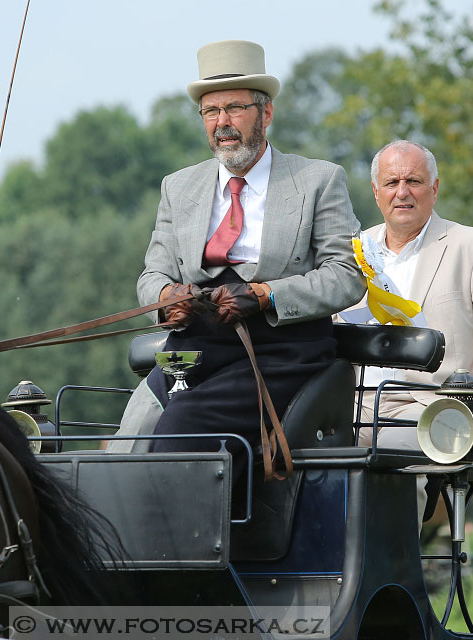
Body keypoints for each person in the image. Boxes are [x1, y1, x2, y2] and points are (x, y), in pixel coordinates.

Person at [109, 40, 365, 475]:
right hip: (193, 348)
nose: (222, 123)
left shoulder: (318, 180)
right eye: (211, 112)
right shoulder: (179, 186)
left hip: (280, 353)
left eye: (234, 108)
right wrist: (169, 296)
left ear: (265, 113)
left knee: (178, 431)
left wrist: (266, 295)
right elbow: (153, 273)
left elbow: (346, 276)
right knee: (123, 449)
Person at [343, 140, 473, 522]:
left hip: (436, 409)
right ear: (376, 193)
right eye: (392, 182)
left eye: (414, 180)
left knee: (389, 462)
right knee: (296, 459)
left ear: (435, 188)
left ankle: (390, 579)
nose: (403, 192)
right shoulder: (352, 254)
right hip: (355, 408)